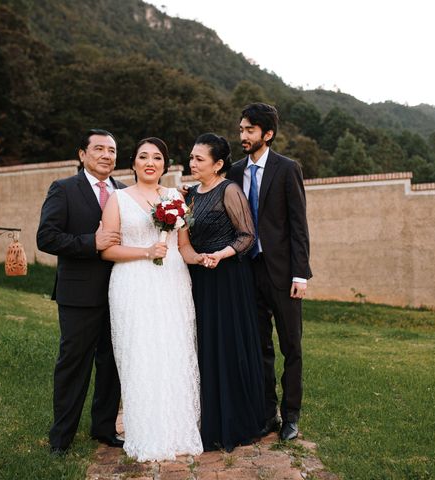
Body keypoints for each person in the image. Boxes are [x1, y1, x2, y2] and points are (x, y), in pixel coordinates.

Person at [100, 137, 203, 462]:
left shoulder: (175, 197)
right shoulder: (118, 199)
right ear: (132, 163)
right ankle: (145, 431)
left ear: (164, 164)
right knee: (140, 352)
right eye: (143, 156)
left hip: (172, 280)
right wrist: (146, 252)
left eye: (157, 157)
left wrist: (205, 258)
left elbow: (183, 246)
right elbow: (107, 250)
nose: (150, 162)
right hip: (133, 282)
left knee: (173, 349)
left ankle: (176, 429)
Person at [36, 129, 125, 455]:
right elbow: (46, 237)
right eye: (99, 149)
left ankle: (104, 429)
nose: (106, 155)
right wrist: (92, 243)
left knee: (112, 365)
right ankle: (61, 438)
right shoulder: (63, 189)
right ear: (82, 155)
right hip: (78, 296)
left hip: (119, 294)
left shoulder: (124, 191)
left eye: (112, 150)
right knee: (73, 366)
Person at [227, 103, 312, 441]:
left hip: (283, 274)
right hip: (248, 273)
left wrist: (300, 274)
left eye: (249, 130)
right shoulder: (234, 172)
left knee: (291, 346)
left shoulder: (288, 169)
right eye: (241, 130)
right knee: (259, 347)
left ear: (268, 133)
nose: (243, 136)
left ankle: (291, 417)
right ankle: (268, 414)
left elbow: (298, 225)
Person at [183, 132, 265, 452]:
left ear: (218, 165)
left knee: (228, 345)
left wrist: (222, 254)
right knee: (206, 345)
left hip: (228, 277)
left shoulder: (229, 190)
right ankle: (211, 418)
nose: (192, 162)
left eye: (198, 159)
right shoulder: (189, 194)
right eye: (191, 157)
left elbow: (247, 235)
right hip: (200, 278)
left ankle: (237, 420)